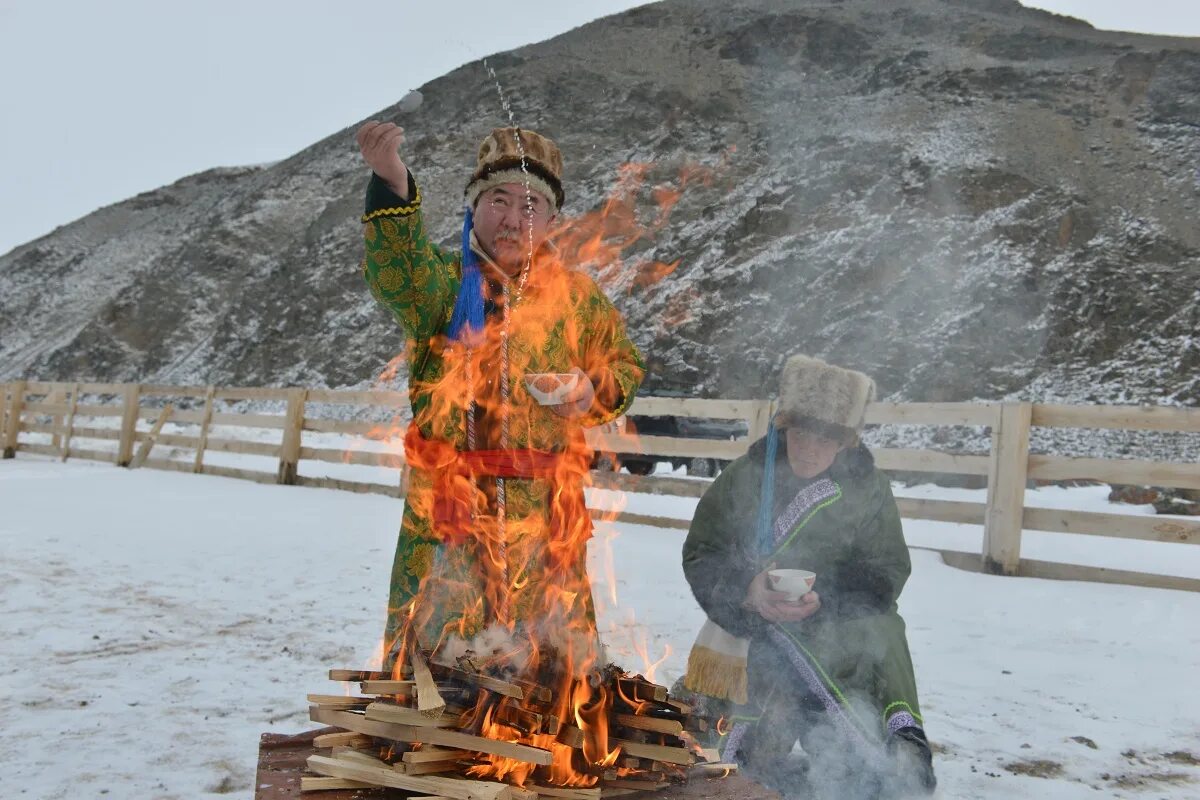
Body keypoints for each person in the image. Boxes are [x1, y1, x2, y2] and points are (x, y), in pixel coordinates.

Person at [355, 121, 645, 674]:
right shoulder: (441, 285)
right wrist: (392, 180)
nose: (514, 219)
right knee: (438, 682)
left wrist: (590, 390)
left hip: (546, 531)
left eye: (531, 206)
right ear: (475, 206)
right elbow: (397, 275)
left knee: (553, 683)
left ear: (553, 220)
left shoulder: (578, 300)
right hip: (450, 524)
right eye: (499, 200)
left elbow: (624, 367)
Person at [681, 354, 936, 798]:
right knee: (745, 769)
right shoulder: (747, 476)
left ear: (845, 443)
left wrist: (828, 600)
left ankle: (885, 759)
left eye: (826, 438)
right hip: (756, 633)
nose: (810, 448)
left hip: (835, 633)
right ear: (785, 428)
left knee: (877, 654)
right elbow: (703, 550)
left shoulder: (868, 489)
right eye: (801, 433)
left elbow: (888, 568)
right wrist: (747, 589)